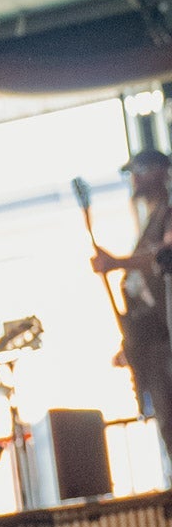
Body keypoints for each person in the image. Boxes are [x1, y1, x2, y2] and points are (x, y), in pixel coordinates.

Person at [90, 147, 172, 462]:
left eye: (140, 169)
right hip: (150, 344)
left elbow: (165, 255)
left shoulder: (167, 212)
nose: (134, 179)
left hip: (165, 344)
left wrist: (116, 262)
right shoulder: (150, 218)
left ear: (160, 171)